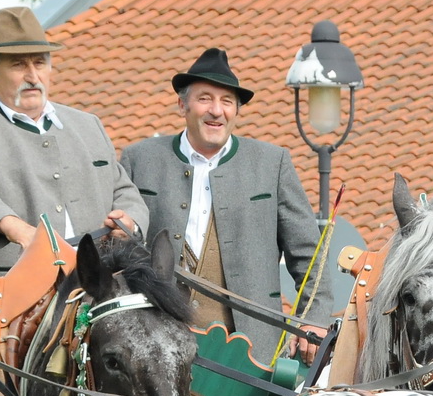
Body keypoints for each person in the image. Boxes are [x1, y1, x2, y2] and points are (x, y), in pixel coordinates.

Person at [0, 6, 146, 336]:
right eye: (18, 64)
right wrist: (18, 230)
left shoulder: (88, 125)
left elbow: (124, 190)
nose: (32, 75)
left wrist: (131, 220)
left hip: (101, 300)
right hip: (14, 309)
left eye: (39, 62)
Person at [121, 47, 333, 361]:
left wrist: (314, 319)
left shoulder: (272, 163)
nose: (216, 111)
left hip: (250, 347)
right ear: (183, 105)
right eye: (204, 98)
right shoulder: (139, 158)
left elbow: (308, 255)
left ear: (236, 111)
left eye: (227, 102)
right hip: (155, 341)